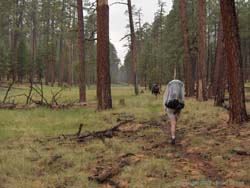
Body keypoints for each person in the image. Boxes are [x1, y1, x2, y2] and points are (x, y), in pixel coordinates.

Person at [163, 79, 185, 145]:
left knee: (173, 123)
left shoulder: (169, 85)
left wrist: (165, 107)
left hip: (170, 107)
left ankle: (173, 137)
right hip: (178, 106)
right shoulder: (180, 86)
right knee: (175, 121)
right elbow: (183, 98)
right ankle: (174, 132)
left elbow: (166, 97)